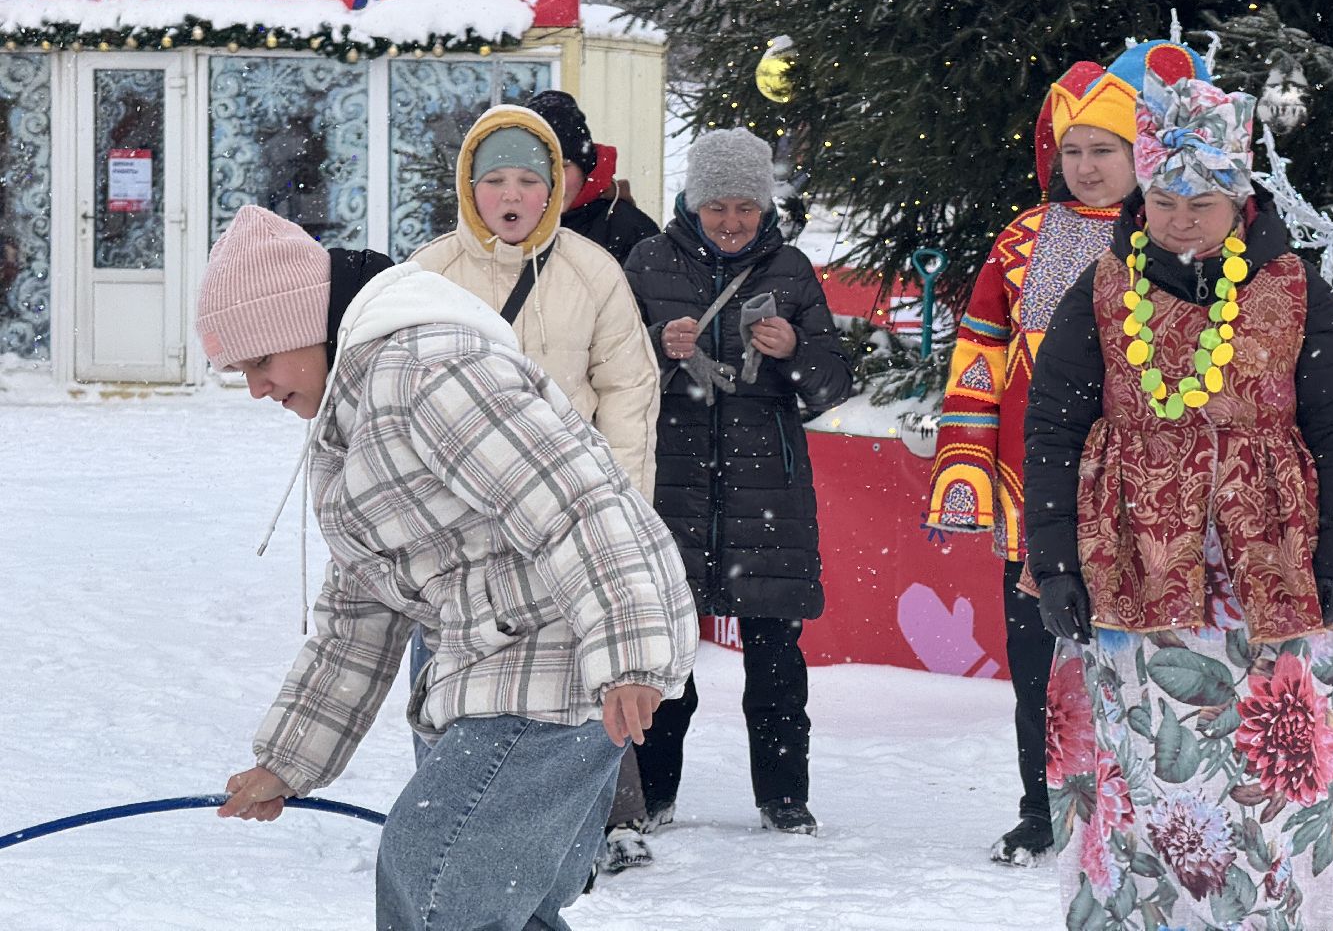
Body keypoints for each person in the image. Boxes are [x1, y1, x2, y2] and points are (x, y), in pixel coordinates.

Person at [202, 204, 696, 931]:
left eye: (260, 362)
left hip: (563, 649)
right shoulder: (351, 424)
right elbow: (357, 621)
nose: (256, 388)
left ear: (306, 326)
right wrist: (288, 760)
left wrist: (627, 651)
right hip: (506, 655)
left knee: (437, 886)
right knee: (489, 904)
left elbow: (573, 502)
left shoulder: (426, 373)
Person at [1025, 71, 1333, 927]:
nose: (1180, 220)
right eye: (1164, 201)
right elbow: (1053, 428)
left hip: (1274, 569)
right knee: (1145, 774)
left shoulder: (1296, 288)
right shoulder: (1102, 287)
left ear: (1241, 200)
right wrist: (1056, 562)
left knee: (1278, 780)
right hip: (1130, 570)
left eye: (1203, 203)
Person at [924, 40, 1210, 866]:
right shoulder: (1022, 238)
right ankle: (1042, 809)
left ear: (1141, 151)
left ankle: (1148, 813)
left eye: (1105, 151)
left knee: (1151, 661)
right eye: (1073, 150)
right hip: (1036, 494)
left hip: (1145, 493)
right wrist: (967, 466)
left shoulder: (1175, 232)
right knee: (1040, 663)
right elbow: (978, 356)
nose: (1086, 168)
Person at [408, 101, 663, 877]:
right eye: (495, 181)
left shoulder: (593, 272)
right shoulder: (427, 275)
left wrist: (619, 509)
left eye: (528, 180)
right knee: (445, 682)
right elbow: (395, 391)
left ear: (554, 188)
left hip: (567, 522)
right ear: (469, 186)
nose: (511, 196)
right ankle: (440, 835)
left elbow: (628, 392)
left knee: (577, 694)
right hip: (456, 527)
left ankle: (574, 841)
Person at [622, 127, 853, 837]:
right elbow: (612, 371)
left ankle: (784, 799)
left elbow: (832, 384)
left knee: (776, 663)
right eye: (716, 206)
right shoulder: (648, 262)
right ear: (692, 202)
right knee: (666, 659)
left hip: (768, 495)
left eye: (745, 207)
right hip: (671, 490)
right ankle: (652, 794)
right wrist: (657, 350)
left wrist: (794, 350)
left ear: (765, 207)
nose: (730, 221)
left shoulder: (791, 271)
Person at [525, 89, 660, 263]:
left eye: (563, 167)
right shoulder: (504, 225)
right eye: (539, 167)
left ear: (585, 169)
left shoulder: (631, 231)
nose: (553, 180)